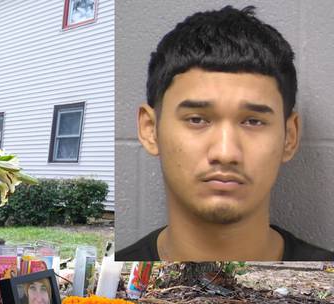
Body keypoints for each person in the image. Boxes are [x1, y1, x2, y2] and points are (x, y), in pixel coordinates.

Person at [116, 6, 334, 261]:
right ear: (150, 130)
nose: (225, 152)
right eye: (197, 119)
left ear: (290, 137)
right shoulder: (105, 290)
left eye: (253, 121)